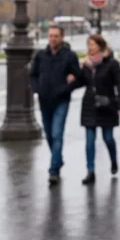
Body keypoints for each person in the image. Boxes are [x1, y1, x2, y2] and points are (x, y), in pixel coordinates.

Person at [29, 26, 82, 185]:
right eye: (51, 36)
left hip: (61, 100)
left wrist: (67, 88)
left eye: (56, 36)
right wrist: (37, 88)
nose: (53, 39)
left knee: (57, 133)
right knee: (50, 134)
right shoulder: (41, 55)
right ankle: (57, 159)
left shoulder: (69, 56)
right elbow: (33, 74)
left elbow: (78, 76)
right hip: (44, 100)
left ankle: (54, 170)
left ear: (62, 37)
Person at [77, 34, 120, 185]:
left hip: (107, 104)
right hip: (90, 105)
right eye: (88, 45)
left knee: (108, 138)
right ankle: (90, 171)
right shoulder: (86, 64)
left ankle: (113, 160)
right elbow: (80, 82)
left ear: (99, 45)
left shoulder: (111, 64)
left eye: (92, 44)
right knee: (90, 141)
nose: (89, 48)